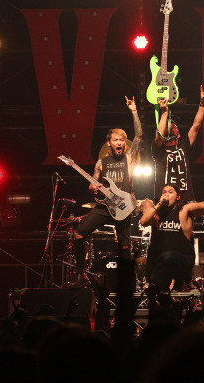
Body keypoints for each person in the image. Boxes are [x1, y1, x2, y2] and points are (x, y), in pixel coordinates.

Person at [71, 96, 142, 286]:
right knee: (78, 234)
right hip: (103, 207)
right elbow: (93, 184)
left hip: (123, 207)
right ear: (109, 143)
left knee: (124, 246)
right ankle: (81, 275)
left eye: (122, 140)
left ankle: (128, 282)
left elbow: (139, 136)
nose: (119, 142)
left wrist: (134, 111)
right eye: (115, 140)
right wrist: (92, 187)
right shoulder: (101, 163)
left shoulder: (129, 159)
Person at [140, 184, 204, 291]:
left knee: (168, 258)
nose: (166, 195)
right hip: (164, 263)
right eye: (164, 192)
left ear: (178, 197)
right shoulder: (159, 214)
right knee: (157, 282)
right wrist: (159, 204)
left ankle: (177, 284)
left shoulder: (184, 210)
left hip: (183, 258)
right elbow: (143, 221)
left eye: (170, 192)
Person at [152, 85, 204, 202]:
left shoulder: (183, 146)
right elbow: (159, 135)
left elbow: (196, 126)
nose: (171, 127)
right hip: (164, 200)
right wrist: (164, 112)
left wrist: (202, 104)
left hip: (185, 198)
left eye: (173, 126)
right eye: (167, 126)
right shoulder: (159, 149)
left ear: (178, 133)